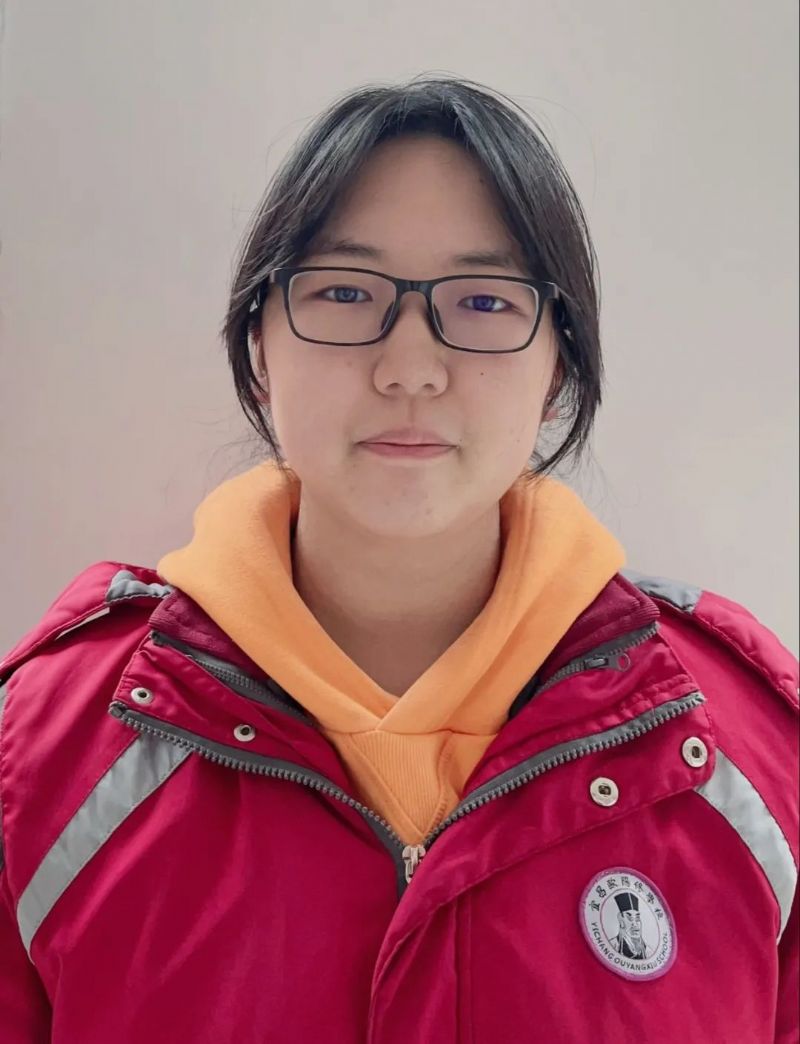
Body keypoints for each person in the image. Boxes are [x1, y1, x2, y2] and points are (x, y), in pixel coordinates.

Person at [0, 75, 797, 1043]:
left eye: (482, 300)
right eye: (344, 292)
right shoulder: (44, 754)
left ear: (559, 367)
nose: (410, 368)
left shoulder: (746, 754)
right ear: (259, 348)